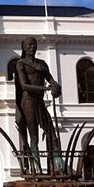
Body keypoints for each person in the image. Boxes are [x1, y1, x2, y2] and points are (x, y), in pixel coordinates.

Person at [15, 37, 61, 172]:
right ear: (23, 47)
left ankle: (58, 165)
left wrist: (56, 88)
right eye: (29, 45)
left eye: (34, 45)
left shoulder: (42, 64)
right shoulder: (20, 64)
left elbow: (51, 80)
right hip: (27, 100)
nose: (32, 47)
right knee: (34, 136)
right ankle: (37, 168)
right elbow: (24, 85)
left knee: (52, 133)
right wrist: (46, 89)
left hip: (39, 101)